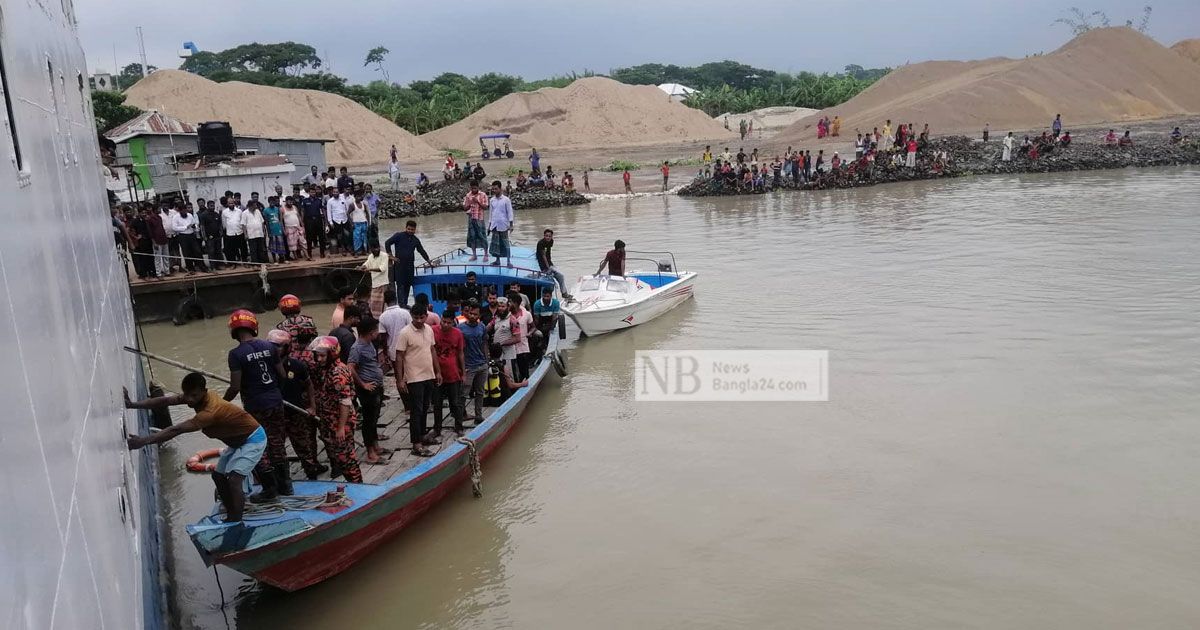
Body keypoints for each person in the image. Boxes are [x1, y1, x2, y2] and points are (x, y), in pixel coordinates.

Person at [125, 373, 270, 522]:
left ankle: (236, 520)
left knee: (234, 479)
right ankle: (231, 510)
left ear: (203, 391)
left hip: (253, 439)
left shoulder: (209, 412)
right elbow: (166, 400)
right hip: (237, 442)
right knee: (218, 476)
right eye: (186, 395)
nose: (189, 399)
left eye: (193, 395)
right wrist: (132, 405)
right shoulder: (195, 396)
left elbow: (176, 430)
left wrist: (143, 441)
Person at [224, 309, 293, 500]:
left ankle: (269, 489)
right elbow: (282, 375)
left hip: (255, 407)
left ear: (233, 330)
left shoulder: (235, 354)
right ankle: (286, 486)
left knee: (257, 446)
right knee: (278, 443)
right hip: (275, 402)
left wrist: (222, 403)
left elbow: (235, 387)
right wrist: (275, 391)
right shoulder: (269, 346)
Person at [264, 329, 324, 479]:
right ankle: (283, 479)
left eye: (278, 346)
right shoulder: (264, 368)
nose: (275, 350)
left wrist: (312, 407)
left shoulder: (297, 366)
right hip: (275, 415)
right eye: (272, 346)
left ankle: (312, 473)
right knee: (276, 449)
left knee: (304, 446)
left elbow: (309, 385)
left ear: (287, 347)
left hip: (296, 412)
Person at [307, 336, 362, 482]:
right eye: (317, 355)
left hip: (340, 421)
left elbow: (345, 402)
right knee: (339, 456)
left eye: (322, 356)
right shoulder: (326, 369)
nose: (319, 359)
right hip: (329, 420)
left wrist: (341, 427)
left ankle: (357, 485)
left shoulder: (337, 372)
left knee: (346, 458)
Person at [395, 303, 440, 456]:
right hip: (414, 377)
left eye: (422, 317)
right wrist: (400, 380)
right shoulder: (404, 333)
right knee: (416, 411)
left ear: (426, 316)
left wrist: (438, 371)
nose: (419, 320)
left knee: (425, 407)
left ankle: (422, 435)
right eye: (416, 317)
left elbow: (432, 350)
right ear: (411, 317)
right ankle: (416, 443)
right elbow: (399, 356)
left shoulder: (429, 330)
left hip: (429, 374)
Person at [347, 318, 390, 464]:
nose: (378, 333)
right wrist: (363, 384)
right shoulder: (357, 348)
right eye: (376, 330)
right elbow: (350, 367)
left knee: (375, 417)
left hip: (376, 386)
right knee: (368, 420)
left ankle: (376, 446)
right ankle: (370, 452)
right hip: (367, 389)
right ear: (371, 333)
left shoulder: (369, 344)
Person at [432, 309, 466, 436]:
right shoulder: (433, 330)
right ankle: (437, 428)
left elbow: (461, 354)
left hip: (453, 373)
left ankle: (459, 426)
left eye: (448, 323)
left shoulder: (458, 334)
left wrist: (463, 373)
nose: (445, 325)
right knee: (437, 403)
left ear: (453, 322)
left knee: (455, 402)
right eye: (443, 322)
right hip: (437, 373)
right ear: (440, 319)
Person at [384, 219, 433, 306]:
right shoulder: (399, 236)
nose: (410, 231)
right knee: (400, 286)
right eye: (409, 229)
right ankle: (401, 304)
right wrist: (391, 256)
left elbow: (421, 251)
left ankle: (405, 304)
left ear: (415, 230)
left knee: (408, 285)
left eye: (412, 229)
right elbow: (387, 243)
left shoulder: (415, 240)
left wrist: (429, 261)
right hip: (399, 266)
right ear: (406, 228)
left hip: (410, 266)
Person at [458, 301, 489, 425]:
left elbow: (484, 344)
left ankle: (478, 416)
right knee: (464, 394)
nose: (472, 316)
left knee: (480, 392)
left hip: (482, 364)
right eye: (470, 313)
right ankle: (460, 418)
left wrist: (486, 360)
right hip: (468, 366)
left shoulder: (482, 327)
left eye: (475, 314)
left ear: (479, 316)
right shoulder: (460, 328)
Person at [171, 201, 204, 274]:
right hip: (183, 236)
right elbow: (174, 228)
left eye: (185, 210)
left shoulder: (189, 215)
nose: (184, 212)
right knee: (187, 253)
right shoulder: (176, 217)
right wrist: (185, 227)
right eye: (182, 210)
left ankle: (202, 266)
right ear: (179, 211)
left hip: (192, 235)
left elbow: (195, 224)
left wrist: (194, 226)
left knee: (197, 251)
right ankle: (190, 269)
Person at [487, 180, 515, 267]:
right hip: (494, 224)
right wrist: (489, 226)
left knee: (505, 243)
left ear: (500, 189)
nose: (494, 191)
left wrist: (511, 225)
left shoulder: (506, 200)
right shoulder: (492, 200)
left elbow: (510, 212)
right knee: (496, 244)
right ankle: (497, 260)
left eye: (496, 189)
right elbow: (491, 213)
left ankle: (508, 262)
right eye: (493, 189)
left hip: (503, 225)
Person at [508, 291, 534, 382]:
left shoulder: (527, 314)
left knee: (524, 369)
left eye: (510, 302)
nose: (508, 303)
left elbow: (533, 327)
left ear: (516, 303)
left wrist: (529, 333)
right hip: (510, 347)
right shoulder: (506, 315)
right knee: (512, 369)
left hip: (522, 346)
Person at [536, 228, 570, 297]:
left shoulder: (551, 241)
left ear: (551, 236)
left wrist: (551, 265)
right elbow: (544, 256)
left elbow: (548, 253)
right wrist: (548, 268)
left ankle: (564, 293)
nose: (548, 237)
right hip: (543, 265)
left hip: (549, 263)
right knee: (550, 283)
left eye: (549, 236)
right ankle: (545, 297)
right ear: (544, 236)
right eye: (546, 236)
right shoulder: (541, 243)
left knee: (561, 276)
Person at [359, 243, 390, 318]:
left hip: (383, 284)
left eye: (377, 248)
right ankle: (376, 320)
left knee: (382, 305)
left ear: (379, 247)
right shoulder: (370, 256)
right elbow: (366, 264)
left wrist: (369, 269)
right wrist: (361, 267)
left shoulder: (384, 256)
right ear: (371, 249)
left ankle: (381, 319)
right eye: (374, 248)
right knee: (373, 304)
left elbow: (382, 269)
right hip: (375, 284)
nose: (376, 250)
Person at [463, 179, 489, 260]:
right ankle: (474, 255)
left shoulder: (483, 195)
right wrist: (470, 202)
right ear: (470, 188)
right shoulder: (468, 195)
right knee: (472, 237)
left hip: (480, 219)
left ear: (478, 187)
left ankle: (485, 254)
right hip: (471, 219)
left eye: (475, 188)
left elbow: (485, 207)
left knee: (483, 236)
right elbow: (464, 208)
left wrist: (477, 201)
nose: (473, 190)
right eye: (472, 188)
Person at [301, 186, 326, 258]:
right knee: (309, 238)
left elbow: (322, 209)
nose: (313, 193)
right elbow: (302, 211)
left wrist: (324, 219)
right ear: (309, 193)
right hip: (309, 221)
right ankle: (309, 253)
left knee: (321, 237)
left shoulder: (318, 200)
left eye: (314, 192)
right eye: (311, 192)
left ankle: (322, 252)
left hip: (318, 220)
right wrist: (302, 221)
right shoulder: (305, 201)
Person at [198, 199, 224, 271]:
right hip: (209, 238)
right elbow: (202, 226)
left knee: (218, 251)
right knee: (211, 252)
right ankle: (213, 267)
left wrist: (221, 233)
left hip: (217, 236)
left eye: (213, 206)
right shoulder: (204, 215)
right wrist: (204, 237)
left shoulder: (216, 214)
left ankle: (219, 265)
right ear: (208, 206)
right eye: (211, 206)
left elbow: (220, 225)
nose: (212, 207)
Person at [326, 187, 350, 256]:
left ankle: (347, 246)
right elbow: (329, 212)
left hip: (344, 220)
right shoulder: (330, 201)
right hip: (336, 220)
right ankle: (343, 248)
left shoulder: (343, 200)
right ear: (332, 193)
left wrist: (349, 219)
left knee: (347, 234)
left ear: (339, 192)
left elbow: (347, 209)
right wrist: (330, 222)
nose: (335, 193)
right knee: (339, 235)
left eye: (337, 192)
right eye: (334, 192)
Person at [263, 197, 286, 263]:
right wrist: (269, 232)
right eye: (271, 202)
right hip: (272, 231)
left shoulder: (277, 209)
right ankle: (274, 260)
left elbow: (280, 220)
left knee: (280, 246)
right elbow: (266, 222)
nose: (272, 203)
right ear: (268, 202)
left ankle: (282, 259)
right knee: (273, 246)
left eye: (273, 202)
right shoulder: (266, 210)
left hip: (278, 230)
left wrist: (282, 229)